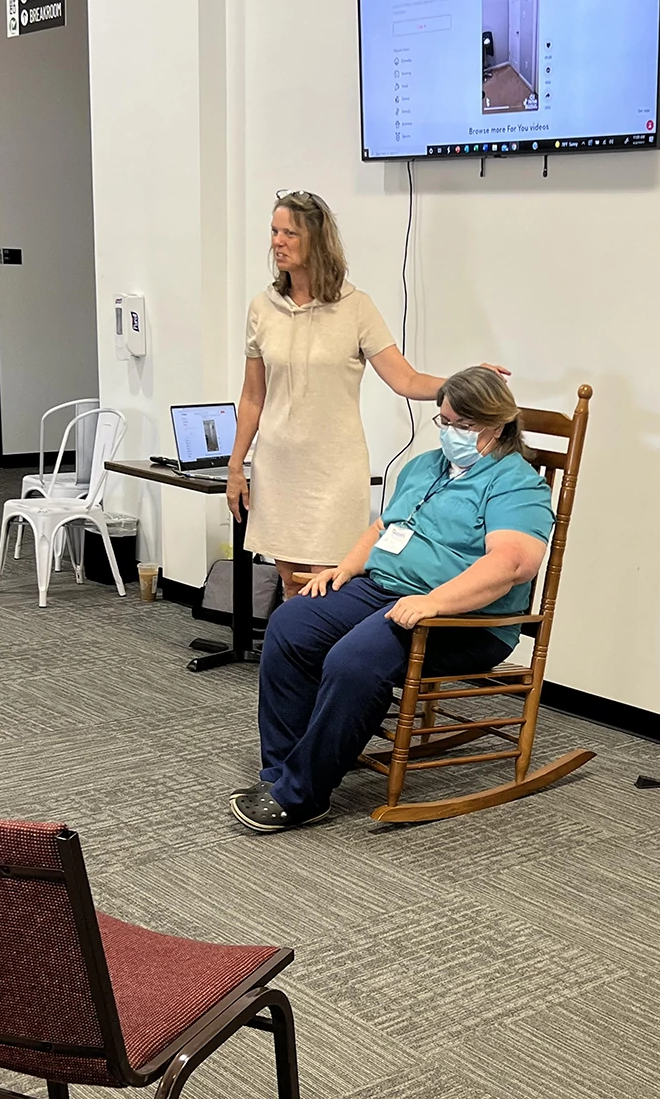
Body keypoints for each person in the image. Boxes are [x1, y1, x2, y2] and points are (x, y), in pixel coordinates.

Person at [229, 367, 554, 833]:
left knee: (354, 659)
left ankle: (301, 795)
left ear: (498, 425)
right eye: (445, 421)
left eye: (464, 425)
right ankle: (281, 771)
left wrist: (435, 602)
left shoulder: (515, 483)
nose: (451, 434)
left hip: (464, 618)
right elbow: (384, 528)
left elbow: (513, 564)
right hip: (383, 588)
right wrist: (345, 568)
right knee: (291, 624)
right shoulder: (424, 466)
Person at [226, 190, 508, 598]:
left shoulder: (355, 307)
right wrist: (236, 466)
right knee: (289, 580)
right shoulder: (262, 308)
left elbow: (405, 379)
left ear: (316, 240)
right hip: (278, 465)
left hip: (333, 469)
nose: (278, 242)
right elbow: (253, 397)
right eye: (274, 231)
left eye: (290, 233)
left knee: (326, 583)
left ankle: (322, 643)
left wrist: (463, 380)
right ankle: (289, 643)